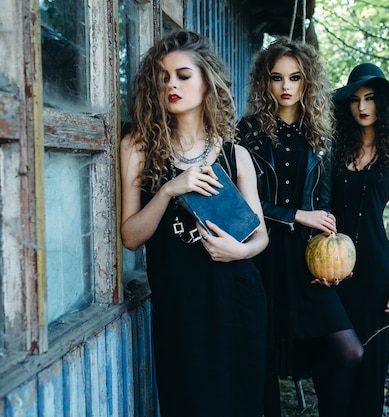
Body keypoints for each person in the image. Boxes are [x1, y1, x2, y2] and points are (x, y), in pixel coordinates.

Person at [119, 30, 269, 417]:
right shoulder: (138, 147)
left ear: (207, 81)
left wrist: (240, 250)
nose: (171, 84)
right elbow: (131, 237)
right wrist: (170, 188)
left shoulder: (237, 156)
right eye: (164, 76)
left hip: (238, 301)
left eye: (183, 75)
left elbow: (260, 235)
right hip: (181, 310)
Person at [238, 37, 363, 417]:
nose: (286, 86)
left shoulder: (321, 138)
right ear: (266, 82)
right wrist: (295, 215)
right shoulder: (249, 134)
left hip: (307, 261)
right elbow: (247, 204)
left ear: (307, 81)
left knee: (349, 351)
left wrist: (334, 264)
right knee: (265, 359)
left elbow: (322, 205)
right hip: (261, 254)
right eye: (277, 78)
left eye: (295, 78)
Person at [331, 63, 389, 417]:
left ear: (383, 104)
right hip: (331, 268)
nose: (363, 107)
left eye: (370, 98)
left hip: (376, 272)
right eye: (355, 99)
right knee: (335, 365)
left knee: (371, 367)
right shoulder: (334, 147)